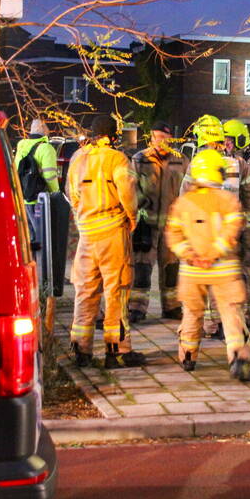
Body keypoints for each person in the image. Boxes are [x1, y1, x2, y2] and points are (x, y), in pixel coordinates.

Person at [166, 149, 250, 381]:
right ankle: (238, 358)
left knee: (192, 314)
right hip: (223, 268)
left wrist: (192, 256)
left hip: (192, 270)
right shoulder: (228, 200)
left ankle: (188, 355)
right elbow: (232, 231)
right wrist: (213, 254)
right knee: (230, 312)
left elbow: (174, 235)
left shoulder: (183, 202)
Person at [66, 114, 145, 369]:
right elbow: (128, 193)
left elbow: (72, 194)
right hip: (112, 232)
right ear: (113, 135)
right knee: (116, 291)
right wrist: (132, 218)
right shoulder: (117, 159)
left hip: (87, 234)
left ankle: (81, 350)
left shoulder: (78, 158)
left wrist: (84, 219)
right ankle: (117, 350)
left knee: (85, 291)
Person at [182, 114, 250, 339]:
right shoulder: (238, 163)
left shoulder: (196, 165)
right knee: (227, 284)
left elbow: (184, 199)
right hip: (228, 236)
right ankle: (228, 329)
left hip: (201, 236)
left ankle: (201, 332)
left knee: (198, 285)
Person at [128, 121, 186, 323]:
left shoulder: (180, 160)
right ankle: (136, 308)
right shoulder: (139, 159)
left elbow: (188, 190)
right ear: (151, 138)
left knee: (171, 268)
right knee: (142, 268)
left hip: (172, 226)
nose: (161, 142)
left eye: (165, 138)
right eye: (158, 137)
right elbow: (130, 189)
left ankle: (172, 307)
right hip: (147, 224)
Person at [223, 118, 250, 329]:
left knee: (249, 266)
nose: (226, 144)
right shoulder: (232, 159)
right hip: (237, 219)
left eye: (229, 140)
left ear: (239, 139)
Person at [14, 119, 60, 250]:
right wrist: (55, 194)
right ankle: (42, 267)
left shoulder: (21, 146)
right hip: (39, 200)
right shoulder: (46, 148)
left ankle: (32, 265)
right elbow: (50, 176)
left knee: (30, 240)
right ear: (45, 132)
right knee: (43, 239)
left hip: (22, 199)